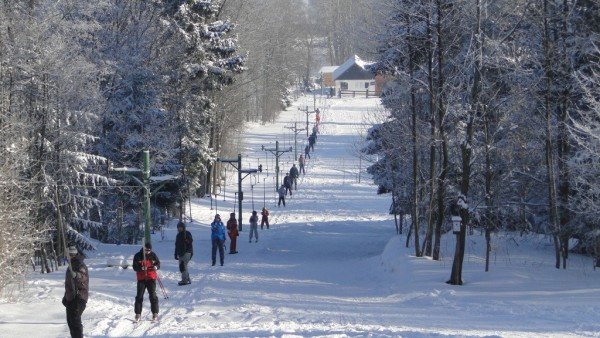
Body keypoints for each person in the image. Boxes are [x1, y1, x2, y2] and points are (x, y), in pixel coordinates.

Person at [62, 246, 89, 338]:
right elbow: (69, 283)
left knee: (75, 322)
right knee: (70, 322)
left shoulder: (80, 265)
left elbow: (83, 277)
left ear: (72, 255)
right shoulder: (71, 265)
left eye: (68, 255)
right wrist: (66, 297)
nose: (66, 257)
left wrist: (76, 275)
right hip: (71, 297)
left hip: (79, 297)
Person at [133, 242, 161, 322]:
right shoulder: (138, 256)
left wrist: (156, 267)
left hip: (151, 278)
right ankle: (138, 314)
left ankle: (155, 313)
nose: (148, 252)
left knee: (153, 295)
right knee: (139, 296)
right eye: (146, 250)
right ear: (143, 249)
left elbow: (158, 264)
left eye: (149, 250)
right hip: (141, 278)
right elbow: (135, 267)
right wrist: (141, 268)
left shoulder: (153, 255)